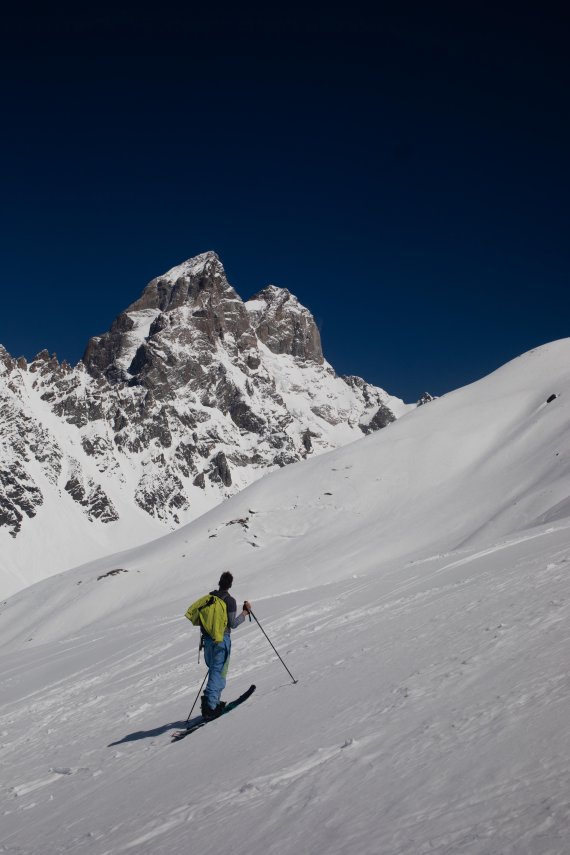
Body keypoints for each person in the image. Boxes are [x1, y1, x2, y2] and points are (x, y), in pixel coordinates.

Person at [201, 571, 251, 720]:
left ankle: (213, 703)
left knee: (214, 671)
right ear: (230, 584)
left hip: (207, 641)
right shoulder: (229, 601)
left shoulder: (209, 598)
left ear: (219, 583)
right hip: (221, 640)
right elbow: (232, 624)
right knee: (219, 672)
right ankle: (210, 707)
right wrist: (245, 613)